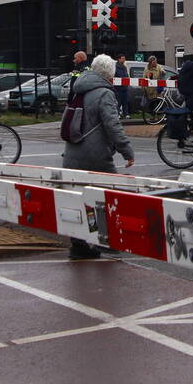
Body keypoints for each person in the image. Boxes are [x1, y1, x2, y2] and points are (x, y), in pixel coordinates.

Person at [61, 54, 134, 259]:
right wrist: (127, 151)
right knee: (112, 194)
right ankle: (109, 241)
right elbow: (113, 126)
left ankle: (79, 246)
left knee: (81, 198)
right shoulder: (104, 93)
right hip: (96, 156)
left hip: (72, 152)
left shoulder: (79, 89)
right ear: (110, 74)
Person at [114, 54, 131, 119]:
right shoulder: (116, 67)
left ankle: (126, 114)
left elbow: (126, 75)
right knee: (118, 102)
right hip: (118, 88)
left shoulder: (124, 67)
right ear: (119, 59)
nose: (124, 60)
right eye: (123, 58)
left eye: (124, 58)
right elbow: (118, 75)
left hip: (125, 87)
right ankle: (117, 114)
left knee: (125, 101)